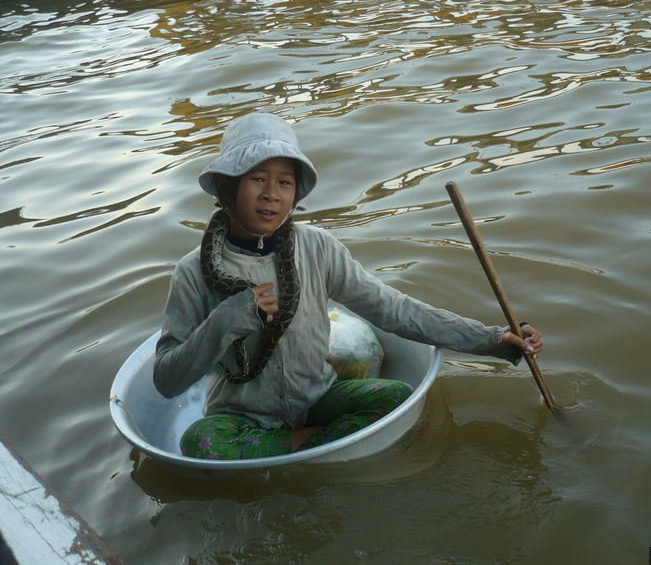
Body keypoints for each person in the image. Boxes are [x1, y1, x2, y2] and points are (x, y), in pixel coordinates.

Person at [153, 113, 544, 460]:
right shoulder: (194, 272)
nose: (271, 193)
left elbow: (393, 308)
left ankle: (294, 445)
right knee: (201, 442)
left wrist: (493, 340)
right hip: (240, 418)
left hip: (315, 399)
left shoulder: (317, 248)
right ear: (228, 187)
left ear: (295, 193)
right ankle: (315, 445)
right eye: (257, 179)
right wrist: (224, 321)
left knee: (395, 398)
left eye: (284, 182)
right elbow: (167, 380)